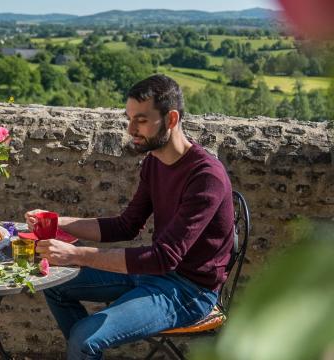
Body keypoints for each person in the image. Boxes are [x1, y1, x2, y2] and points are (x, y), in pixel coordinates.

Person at [26, 74, 234, 360]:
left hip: (189, 290)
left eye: (141, 120)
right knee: (54, 284)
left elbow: (164, 257)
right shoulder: (154, 162)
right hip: (152, 272)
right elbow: (126, 225)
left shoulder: (206, 177)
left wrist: (75, 254)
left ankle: (82, 347)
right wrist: (57, 220)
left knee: (84, 338)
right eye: (129, 118)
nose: (131, 128)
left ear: (171, 119)